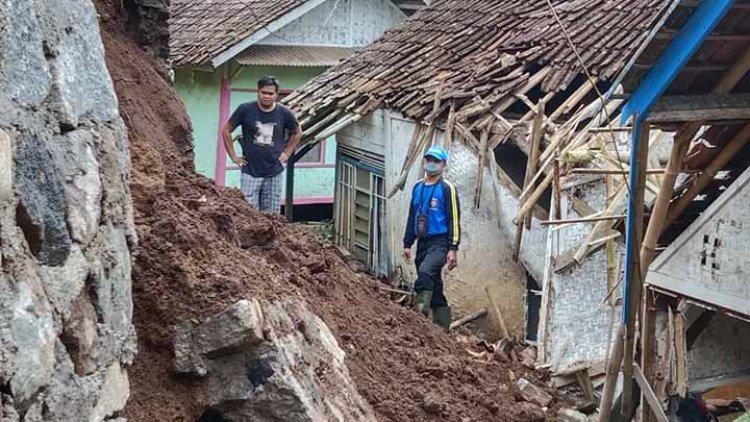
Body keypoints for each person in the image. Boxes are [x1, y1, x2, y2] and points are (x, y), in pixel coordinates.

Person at [221, 76, 302, 213]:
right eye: (263, 92)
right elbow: (226, 130)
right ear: (257, 92)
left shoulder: (284, 112)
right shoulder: (245, 109)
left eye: (270, 93)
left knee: (271, 214)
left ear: (276, 95)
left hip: (274, 171)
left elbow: (297, 132)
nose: (266, 96)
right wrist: (234, 157)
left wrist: (287, 153)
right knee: (248, 212)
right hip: (250, 171)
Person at [403, 146, 461, 331]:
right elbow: (412, 216)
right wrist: (407, 243)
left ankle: (420, 318)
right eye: (429, 160)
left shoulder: (447, 189)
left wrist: (453, 248)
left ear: (443, 165)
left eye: (436, 161)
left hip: (440, 242)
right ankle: (443, 329)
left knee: (426, 271)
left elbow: (454, 219)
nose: (432, 164)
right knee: (434, 287)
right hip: (422, 242)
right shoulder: (418, 187)